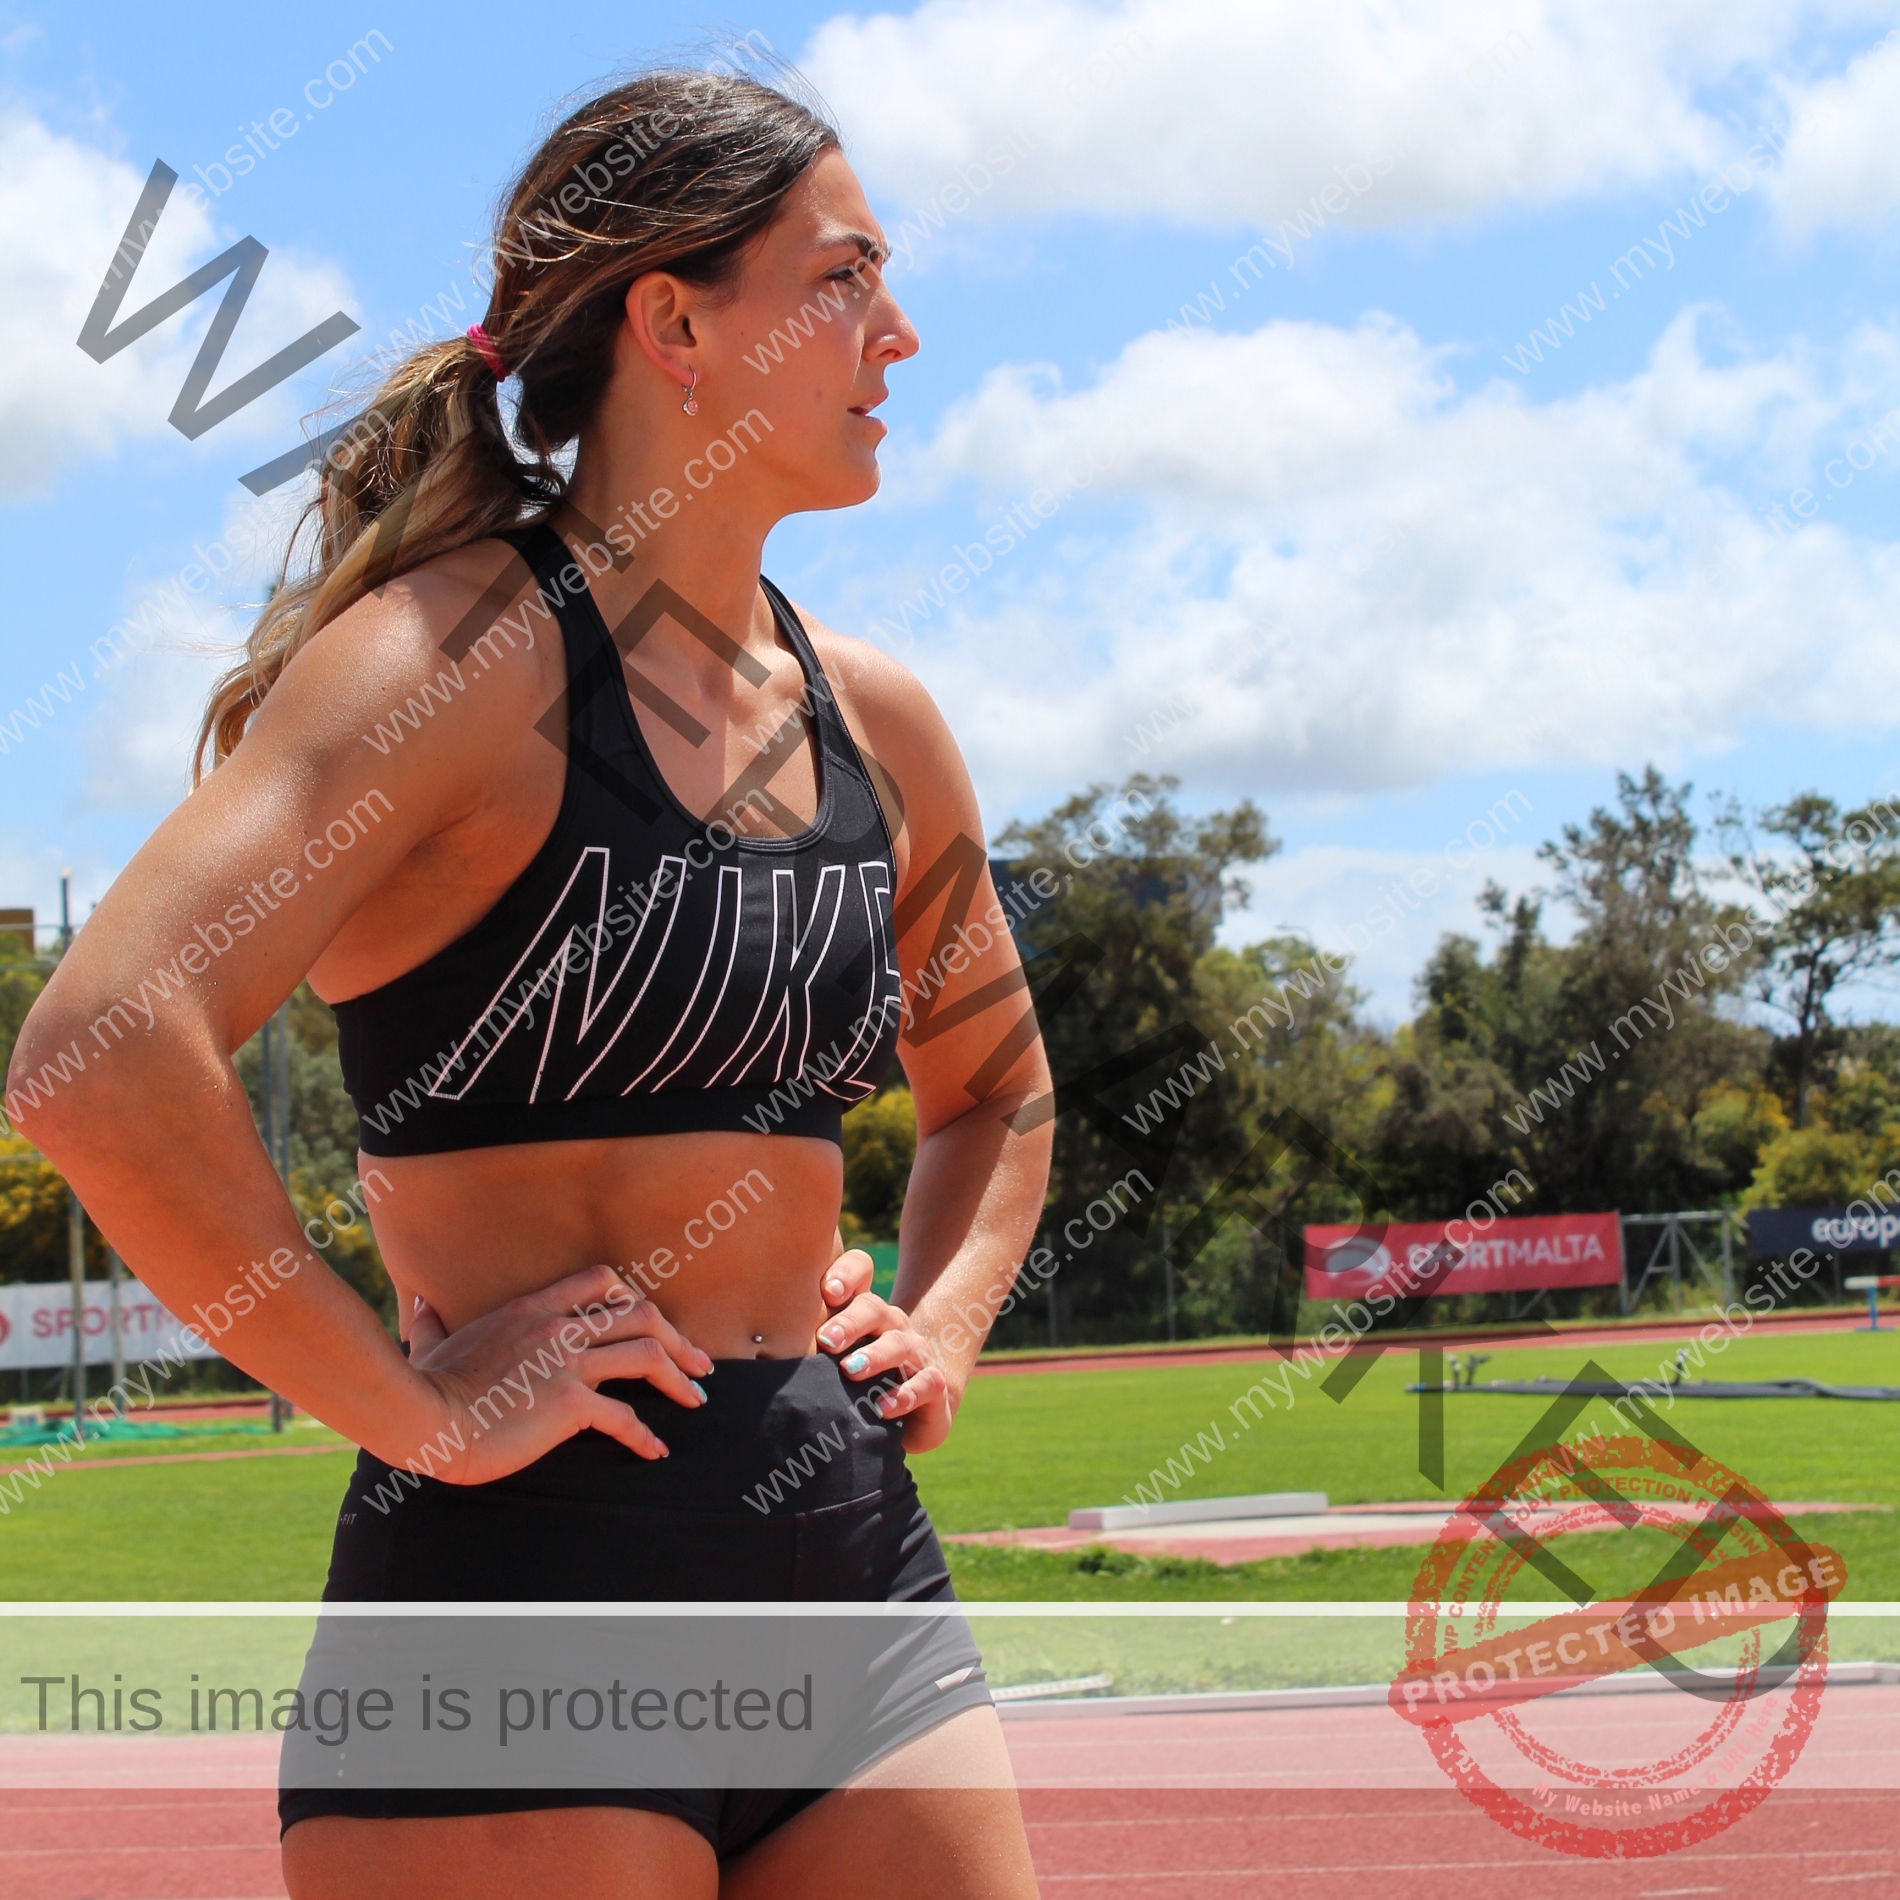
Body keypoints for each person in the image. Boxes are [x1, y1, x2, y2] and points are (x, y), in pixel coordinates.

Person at [11, 60, 1051, 1900]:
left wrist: (948, 1320)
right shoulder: (455, 657)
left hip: (850, 1556)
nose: (898, 329)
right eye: (840, 277)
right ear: (674, 321)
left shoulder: (877, 721)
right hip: (527, 1584)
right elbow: (96, 1053)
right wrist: (408, 1409)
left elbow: (997, 1092)